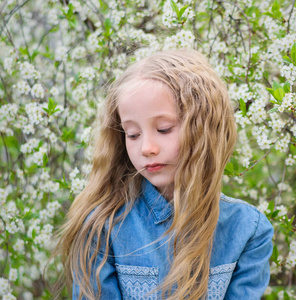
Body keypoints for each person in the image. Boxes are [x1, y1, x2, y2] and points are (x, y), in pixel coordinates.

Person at [56, 49, 274, 300]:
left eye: (164, 129)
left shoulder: (249, 229)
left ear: (205, 130)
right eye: (133, 134)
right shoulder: (103, 227)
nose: (147, 148)